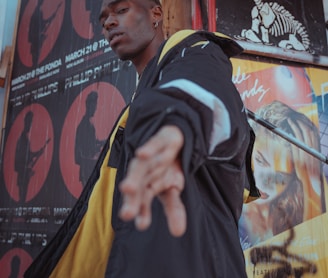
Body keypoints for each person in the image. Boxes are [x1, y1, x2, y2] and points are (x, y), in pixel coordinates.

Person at [24, 0, 259, 277]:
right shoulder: (139, 100)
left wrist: (177, 123)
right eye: (103, 20)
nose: (109, 23)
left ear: (156, 14)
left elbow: (200, 96)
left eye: (121, 10)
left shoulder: (195, 52)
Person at [239, 100, 324, 247]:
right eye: (259, 160)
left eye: (282, 176)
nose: (265, 181)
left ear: (295, 180)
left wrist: (311, 185)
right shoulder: (226, 205)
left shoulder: (296, 214)